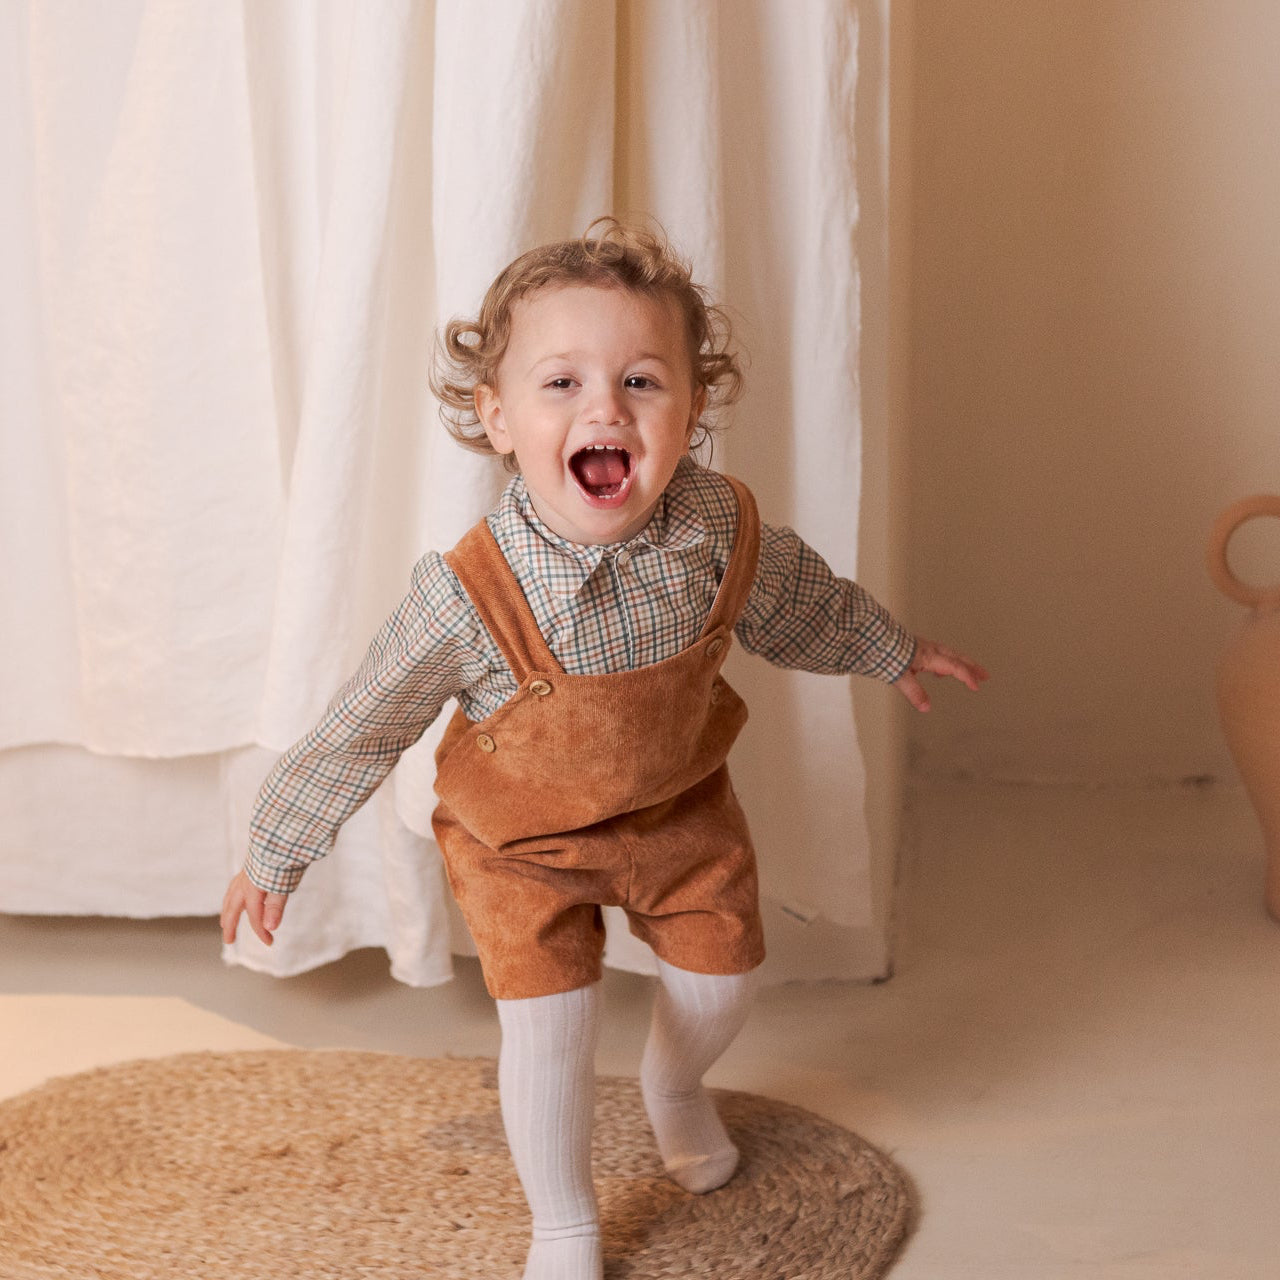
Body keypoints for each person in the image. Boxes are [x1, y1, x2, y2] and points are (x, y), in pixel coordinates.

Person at [221, 218, 988, 1280]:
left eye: (639, 380)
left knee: (721, 985)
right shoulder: (464, 594)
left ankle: (674, 1083)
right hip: (519, 843)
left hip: (679, 812)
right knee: (551, 1025)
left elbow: (801, 605)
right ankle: (566, 1223)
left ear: (690, 410)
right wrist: (277, 845)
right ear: (494, 418)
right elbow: (365, 720)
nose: (604, 409)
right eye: (561, 383)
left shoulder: (718, 529)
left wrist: (890, 647)